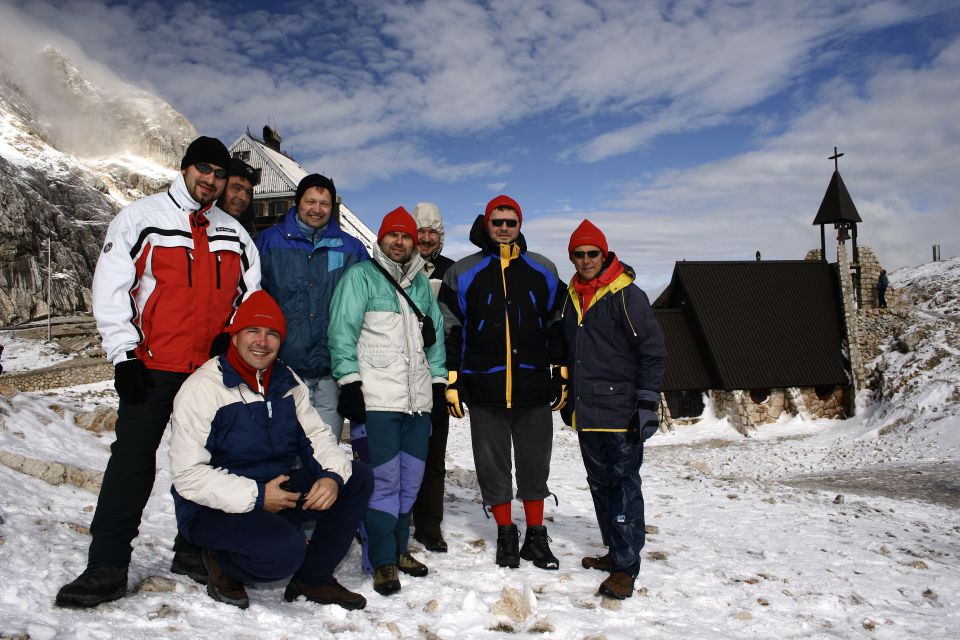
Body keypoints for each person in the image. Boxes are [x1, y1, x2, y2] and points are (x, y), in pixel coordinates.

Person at [55, 136, 261, 608]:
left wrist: (228, 337)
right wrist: (123, 355)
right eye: (202, 168)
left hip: (209, 372)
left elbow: (250, 294)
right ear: (186, 168)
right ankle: (107, 564)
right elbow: (111, 287)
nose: (209, 179)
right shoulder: (140, 218)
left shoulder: (234, 232)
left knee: (207, 462)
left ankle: (192, 550)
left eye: (217, 172)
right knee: (131, 462)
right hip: (152, 367)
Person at [169, 291, 374, 610]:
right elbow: (188, 476)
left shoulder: (285, 381)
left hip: (275, 493)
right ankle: (221, 561)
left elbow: (317, 436)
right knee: (284, 554)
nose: (262, 342)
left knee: (356, 477)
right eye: (253, 331)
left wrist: (332, 476)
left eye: (272, 334)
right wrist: (258, 496)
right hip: (214, 509)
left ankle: (314, 578)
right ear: (234, 336)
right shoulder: (203, 388)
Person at [438, 195, 567, 570]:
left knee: (534, 465)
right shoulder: (463, 273)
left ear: (520, 224)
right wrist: (452, 380)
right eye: (498, 222)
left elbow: (556, 323)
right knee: (492, 467)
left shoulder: (542, 269)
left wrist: (560, 371)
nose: (505, 227)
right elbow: (452, 330)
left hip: (532, 388)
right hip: (485, 390)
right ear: (487, 225)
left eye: (511, 221)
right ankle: (507, 535)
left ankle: (536, 538)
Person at [328, 207, 446, 596]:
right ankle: (381, 560)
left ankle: (398, 549)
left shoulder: (421, 289)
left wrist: (439, 384)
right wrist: (349, 383)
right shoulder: (360, 277)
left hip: (416, 405)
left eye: (406, 236)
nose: (399, 242)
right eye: (392, 235)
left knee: (410, 484)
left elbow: (437, 344)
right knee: (383, 483)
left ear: (415, 243)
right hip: (377, 402)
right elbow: (341, 333)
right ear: (380, 240)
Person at [560, 220, 666, 600]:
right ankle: (614, 551)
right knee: (600, 485)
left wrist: (646, 404)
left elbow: (652, 352)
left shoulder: (627, 295)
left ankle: (626, 567)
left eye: (593, 253)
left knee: (623, 487)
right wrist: (568, 395)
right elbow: (571, 352)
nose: (586, 260)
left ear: (604, 255)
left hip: (621, 414)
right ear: (571, 257)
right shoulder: (573, 297)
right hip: (588, 413)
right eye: (579, 254)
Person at [256, 174, 368, 444]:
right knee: (285, 444)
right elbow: (253, 298)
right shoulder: (268, 242)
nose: (317, 209)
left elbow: (367, 300)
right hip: (284, 366)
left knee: (325, 445)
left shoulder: (351, 248)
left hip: (331, 367)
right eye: (310, 201)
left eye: (324, 203)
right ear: (298, 203)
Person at [410, 202, 455, 553]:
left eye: (432, 232)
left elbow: (457, 326)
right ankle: (396, 519)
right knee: (396, 452)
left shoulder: (451, 272)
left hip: (436, 376)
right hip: (396, 375)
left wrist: (452, 373)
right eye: (420, 231)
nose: (425, 238)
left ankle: (429, 524)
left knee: (433, 455)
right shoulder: (395, 268)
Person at [217, 157, 260, 235]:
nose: (243, 198)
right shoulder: (197, 227)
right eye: (236, 188)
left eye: (248, 192)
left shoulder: (249, 235)